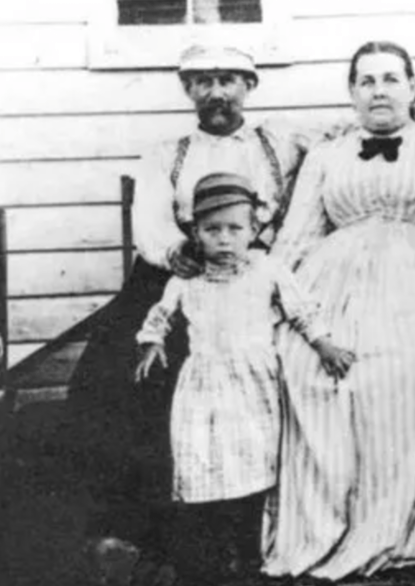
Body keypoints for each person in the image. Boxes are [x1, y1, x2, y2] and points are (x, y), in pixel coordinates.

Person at [63, 43, 322, 546]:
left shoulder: (281, 141)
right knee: (119, 374)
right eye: (203, 82)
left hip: (254, 278)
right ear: (188, 89)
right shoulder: (167, 154)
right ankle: (141, 524)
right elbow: (151, 220)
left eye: (228, 80)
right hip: (183, 273)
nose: (216, 92)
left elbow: (345, 140)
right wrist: (174, 250)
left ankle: (254, 518)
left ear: (250, 86)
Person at [262, 41, 415, 581]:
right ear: (351, 92)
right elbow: (296, 237)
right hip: (333, 281)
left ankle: (404, 525)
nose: (379, 91)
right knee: (305, 366)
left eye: (390, 79)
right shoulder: (327, 155)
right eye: (367, 81)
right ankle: (327, 524)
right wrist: (271, 299)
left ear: (412, 86)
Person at [133, 172, 354, 584]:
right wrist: (152, 343)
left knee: (253, 456)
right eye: (212, 229)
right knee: (202, 453)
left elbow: (301, 310)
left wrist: (324, 345)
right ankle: (210, 551)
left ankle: (248, 547)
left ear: (254, 230)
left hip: (253, 383)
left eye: (235, 229)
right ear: (195, 234)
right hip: (203, 382)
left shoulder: (267, 269)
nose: (224, 239)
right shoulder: (186, 278)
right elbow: (161, 314)